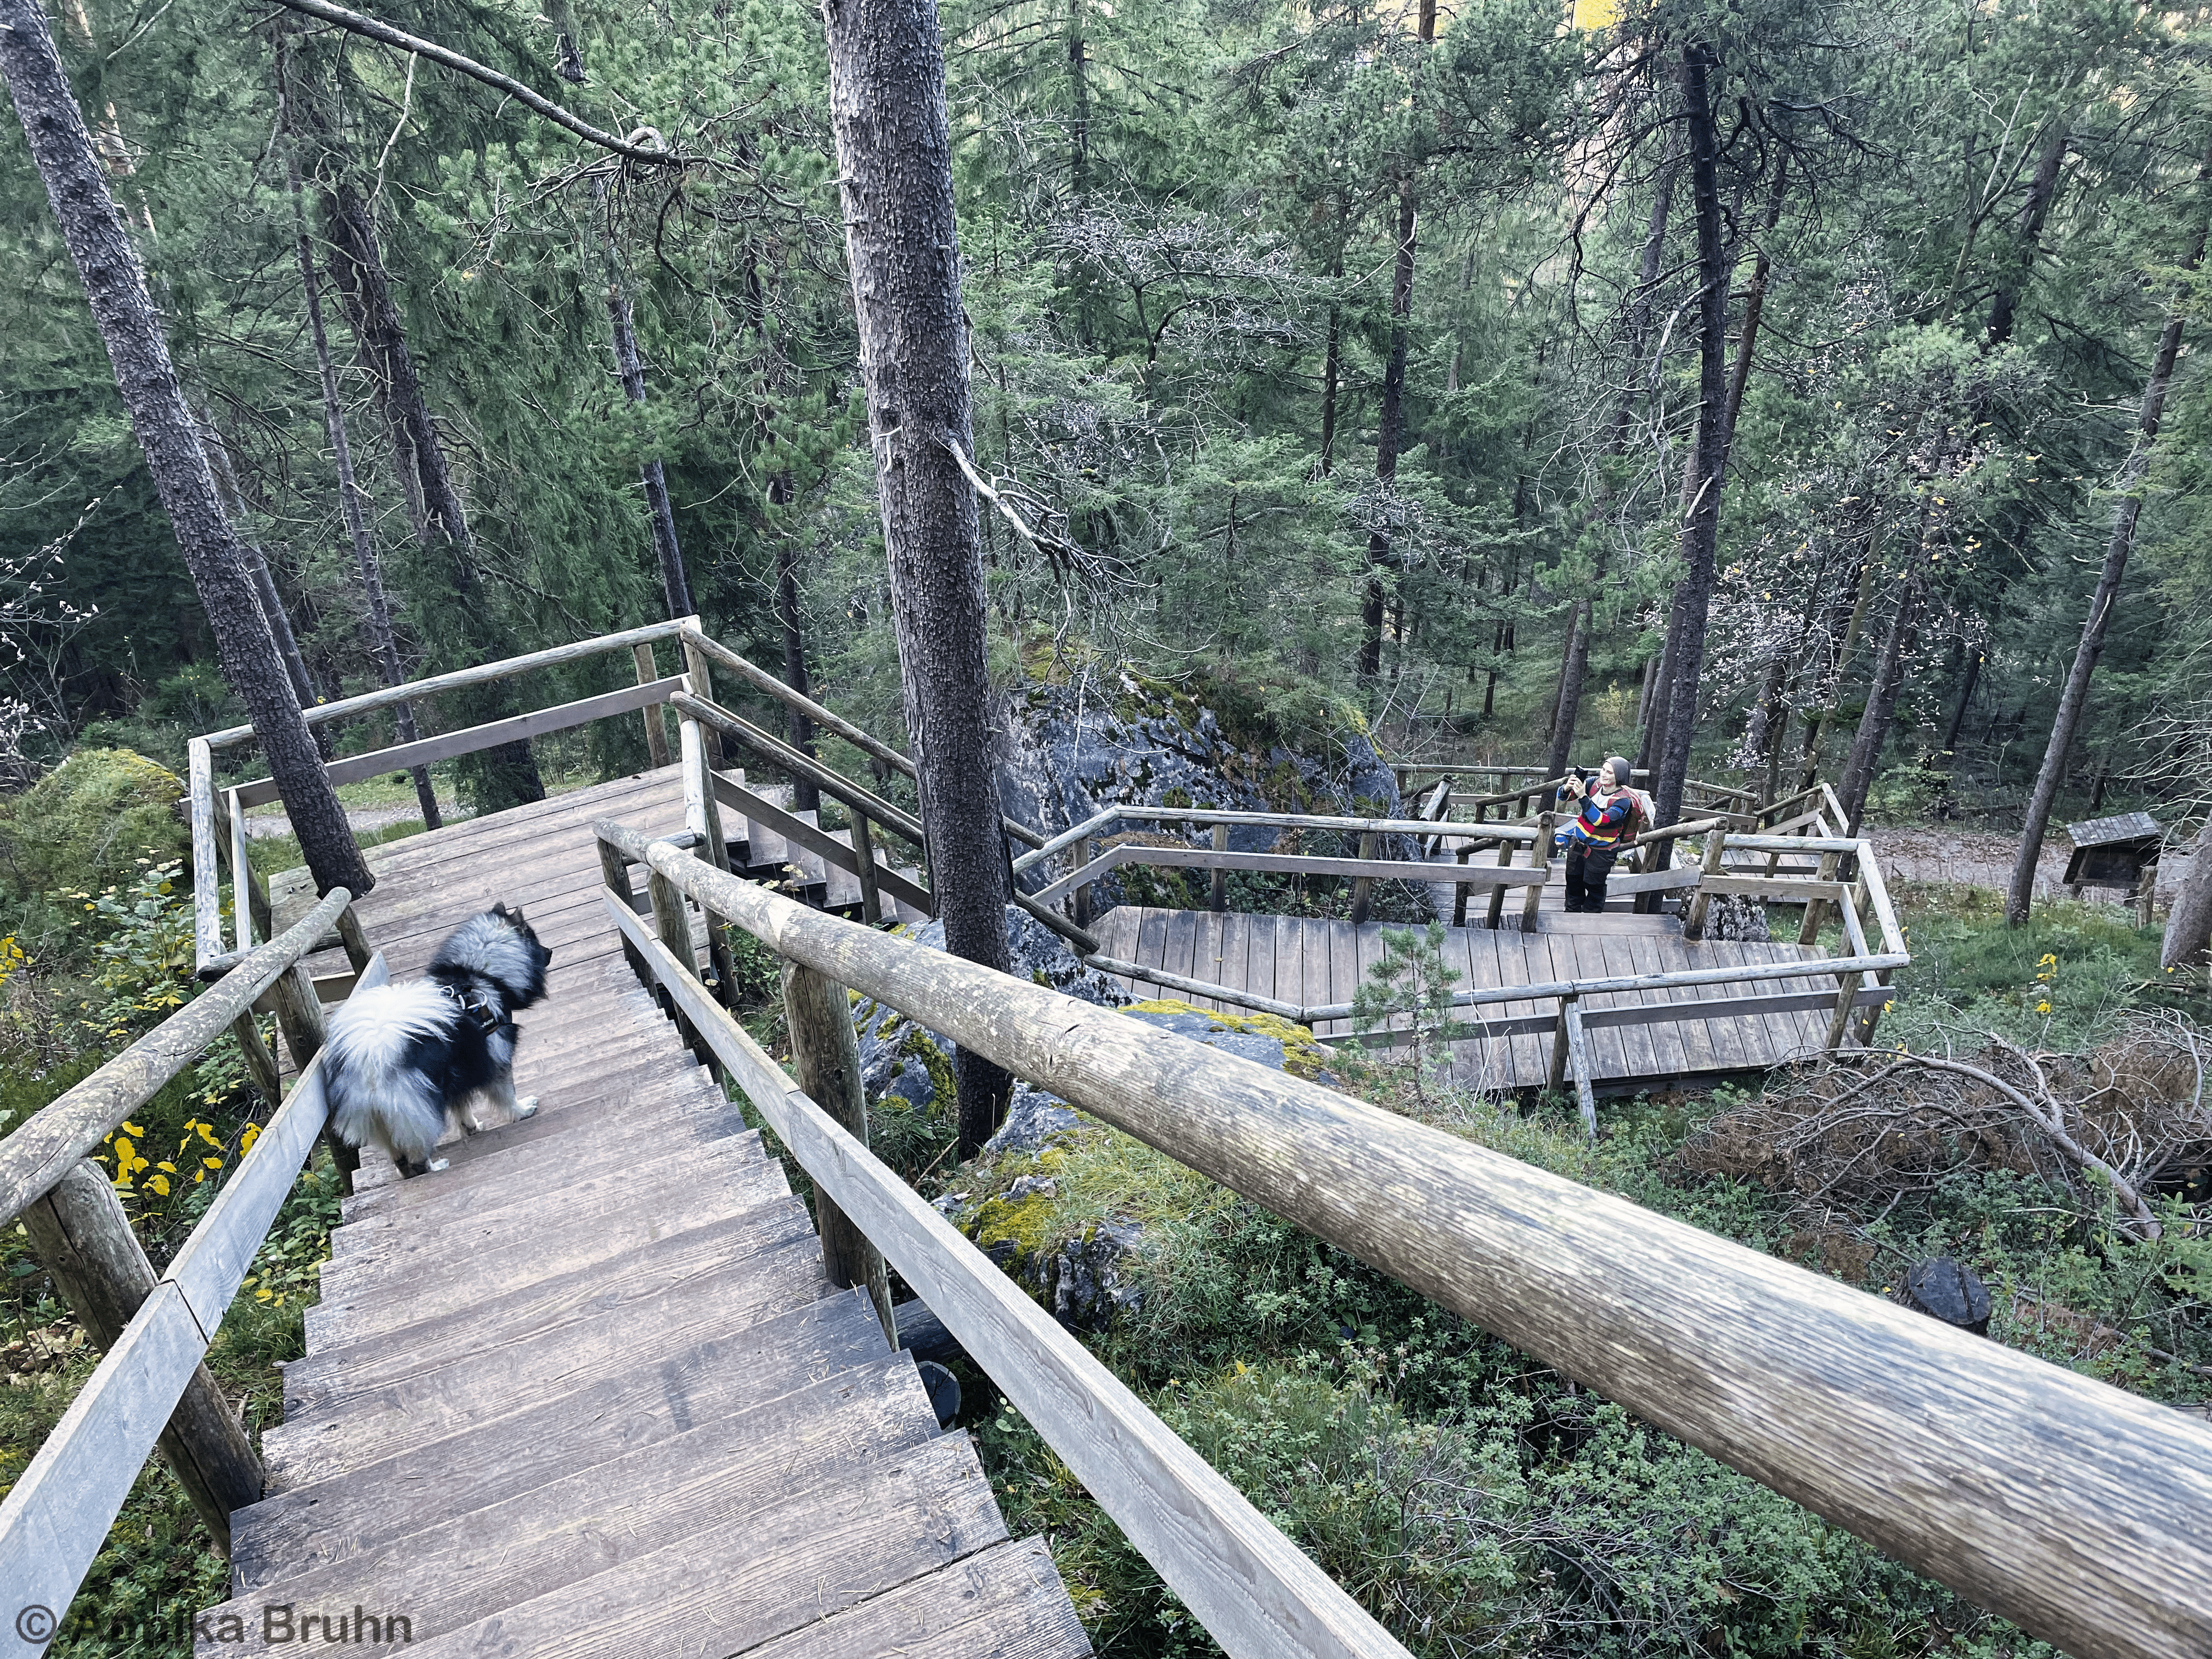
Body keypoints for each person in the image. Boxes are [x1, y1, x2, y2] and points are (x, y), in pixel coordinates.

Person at [1559, 756, 1638, 913]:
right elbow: (1563, 798)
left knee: (1594, 884)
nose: (1604, 774)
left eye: (1610, 772)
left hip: (1602, 851)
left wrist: (1583, 797)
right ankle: (1571, 912)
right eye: (1603, 769)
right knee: (1573, 880)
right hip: (1579, 843)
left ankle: (1592, 917)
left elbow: (1601, 820)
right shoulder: (1594, 784)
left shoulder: (1623, 800)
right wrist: (1567, 788)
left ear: (1619, 777)